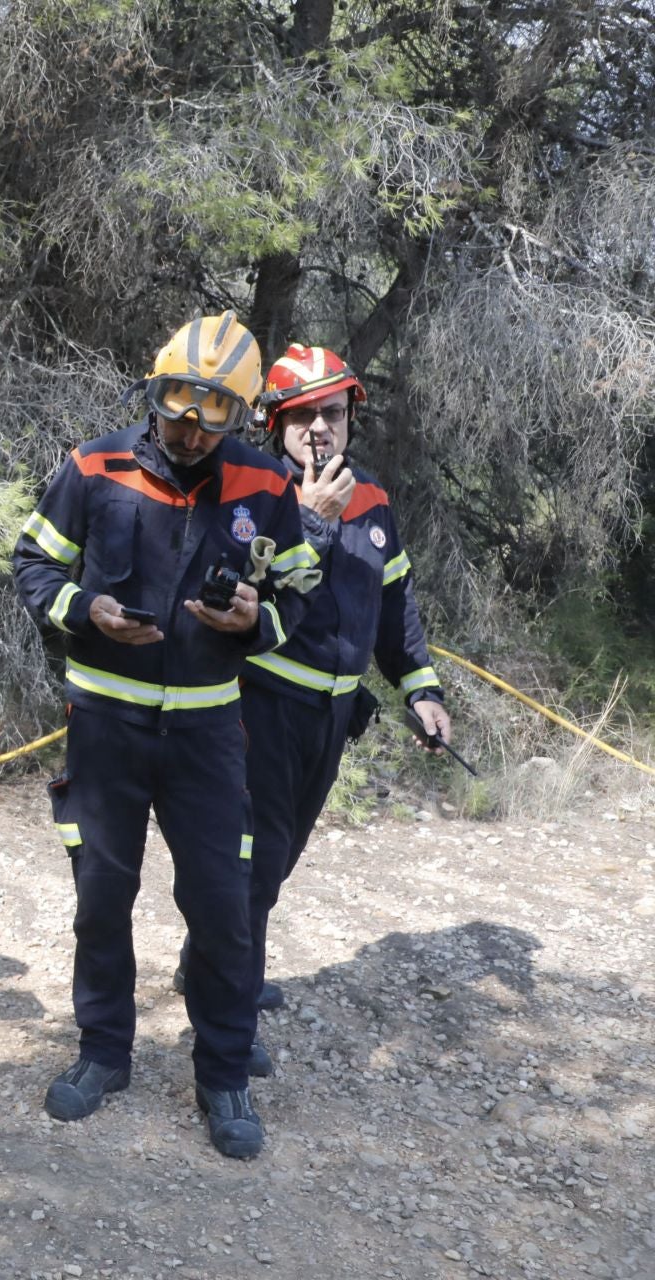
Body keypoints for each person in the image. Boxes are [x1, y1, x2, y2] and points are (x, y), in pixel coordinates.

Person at [13, 312, 320, 1160]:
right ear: (154, 391)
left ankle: (223, 1073)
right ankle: (102, 1052)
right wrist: (85, 611)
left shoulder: (265, 485)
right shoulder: (94, 465)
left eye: (211, 414)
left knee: (223, 907)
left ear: (244, 416)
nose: (187, 429)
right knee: (101, 899)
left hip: (211, 734)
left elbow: (301, 593)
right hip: (104, 725)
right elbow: (32, 562)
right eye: (176, 407)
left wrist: (260, 619)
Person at [228, 343, 450, 1061]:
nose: (318, 428)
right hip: (259, 705)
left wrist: (421, 690)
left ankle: (215, 958)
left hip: (331, 716)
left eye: (330, 412)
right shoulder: (256, 492)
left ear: (351, 414)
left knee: (282, 856)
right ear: (275, 425)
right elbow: (245, 592)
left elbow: (395, 610)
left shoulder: (376, 500)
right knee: (254, 860)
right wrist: (309, 521)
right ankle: (230, 1001)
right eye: (301, 416)